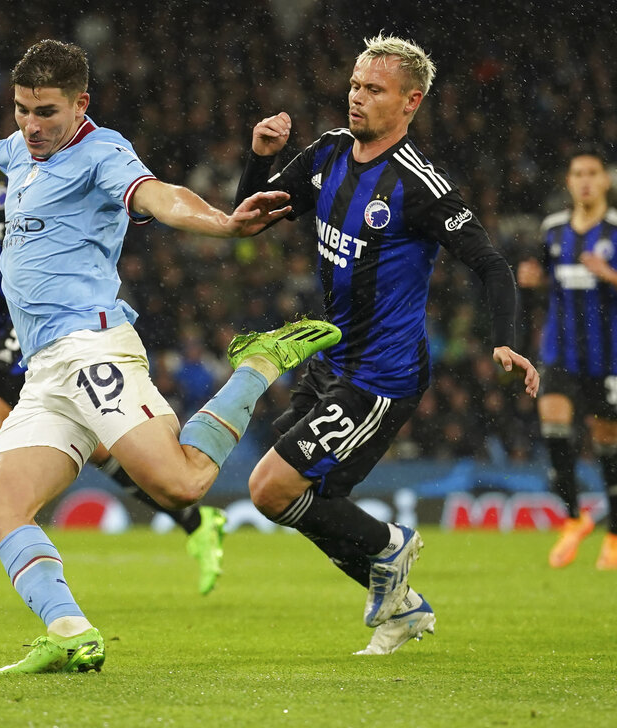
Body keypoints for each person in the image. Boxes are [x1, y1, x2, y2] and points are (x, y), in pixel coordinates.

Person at [0, 39, 340, 673]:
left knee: (184, 482)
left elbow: (158, 195)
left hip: (92, 347)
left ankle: (258, 364)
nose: (31, 125)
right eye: (23, 109)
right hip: (44, 370)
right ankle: (70, 631)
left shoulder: (101, 152)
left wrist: (221, 223)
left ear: (80, 104)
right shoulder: (22, 150)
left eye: (47, 112)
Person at [235, 34, 540, 656]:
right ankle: (400, 607)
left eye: (374, 90)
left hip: (380, 375)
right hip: (329, 361)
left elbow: (491, 265)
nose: (357, 98)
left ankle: (388, 549)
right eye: (354, 85)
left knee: (271, 488)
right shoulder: (325, 154)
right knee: (301, 498)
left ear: (410, 102)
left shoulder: (421, 186)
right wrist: (260, 157)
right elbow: (251, 213)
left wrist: (504, 342)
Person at [0, 72, 230, 603]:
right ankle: (194, 521)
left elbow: (139, 196)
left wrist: (217, 221)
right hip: (18, 331)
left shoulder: (25, 165)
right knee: (100, 446)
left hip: (56, 326)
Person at [517, 148, 617, 570]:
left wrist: (609, 275)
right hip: (559, 352)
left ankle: (612, 536)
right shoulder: (553, 230)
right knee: (554, 428)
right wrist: (530, 280)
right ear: (569, 182)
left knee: (607, 446)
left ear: (605, 182)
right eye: (578, 173)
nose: (585, 181)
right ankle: (574, 518)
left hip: (608, 358)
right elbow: (538, 276)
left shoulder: (615, 230)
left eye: (592, 173)